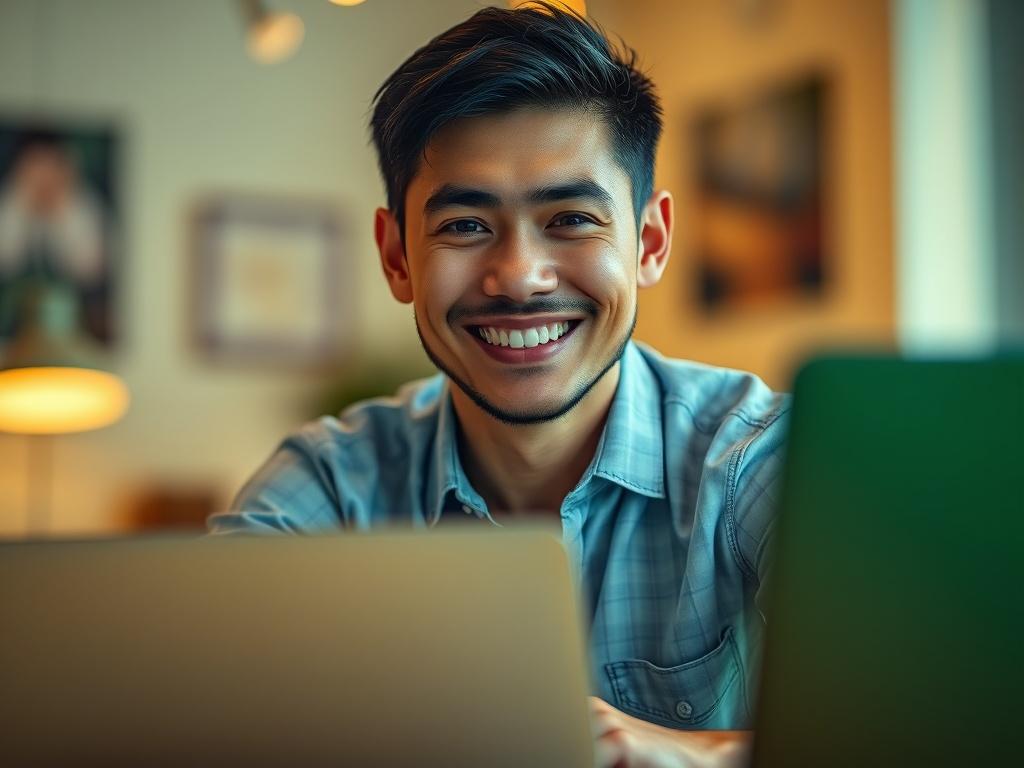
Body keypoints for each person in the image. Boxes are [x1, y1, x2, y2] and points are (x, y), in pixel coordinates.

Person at [209, 4, 788, 766]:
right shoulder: (332, 483)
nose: (519, 278)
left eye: (572, 218)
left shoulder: (759, 457)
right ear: (397, 258)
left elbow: (927, 723)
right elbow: (196, 715)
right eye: (464, 226)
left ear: (649, 242)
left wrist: (688, 755)